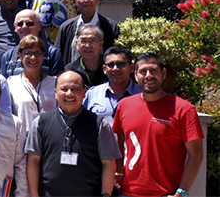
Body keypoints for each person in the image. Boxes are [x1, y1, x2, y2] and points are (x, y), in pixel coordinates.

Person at [112, 53, 204, 197]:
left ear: (164, 73)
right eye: (143, 71)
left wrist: (182, 191)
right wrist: (117, 172)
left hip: (165, 193)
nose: (148, 75)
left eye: (154, 70)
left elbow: (196, 154)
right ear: (135, 75)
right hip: (126, 193)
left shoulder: (183, 109)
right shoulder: (124, 105)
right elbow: (120, 139)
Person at [25, 70, 121, 197]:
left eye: (75, 89)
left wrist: (106, 194)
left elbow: (108, 163)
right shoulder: (40, 123)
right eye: (64, 89)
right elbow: (33, 160)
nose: (69, 94)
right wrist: (34, 194)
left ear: (84, 93)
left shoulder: (99, 124)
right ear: (55, 93)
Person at [55, 0, 120, 65]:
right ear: (75, 1)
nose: (86, 0)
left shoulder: (111, 26)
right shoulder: (66, 27)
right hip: (73, 76)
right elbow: (58, 57)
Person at [6, 35, 58, 131]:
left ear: (43, 55)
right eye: (28, 53)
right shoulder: (11, 84)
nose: (33, 57)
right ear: (20, 55)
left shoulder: (54, 83)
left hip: (49, 137)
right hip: (22, 139)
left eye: (37, 53)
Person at [83, 46, 141, 124]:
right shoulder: (92, 94)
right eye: (111, 65)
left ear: (131, 68)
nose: (115, 68)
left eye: (121, 64)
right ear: (104, 69)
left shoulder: (142, 94)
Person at [0, 9, 64, 79]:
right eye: (20, 24)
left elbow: (57, 83)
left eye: (29, 23)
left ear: (39, 26)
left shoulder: (52, 53)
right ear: (15, 27)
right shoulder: (7, 56)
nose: (24, 27)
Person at [65, 24, 108, 88]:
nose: (87, 46)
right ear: (77, 44)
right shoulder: (69, 71)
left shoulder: (110, 68)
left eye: (92, 41)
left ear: (101, 44)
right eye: (83, 41)